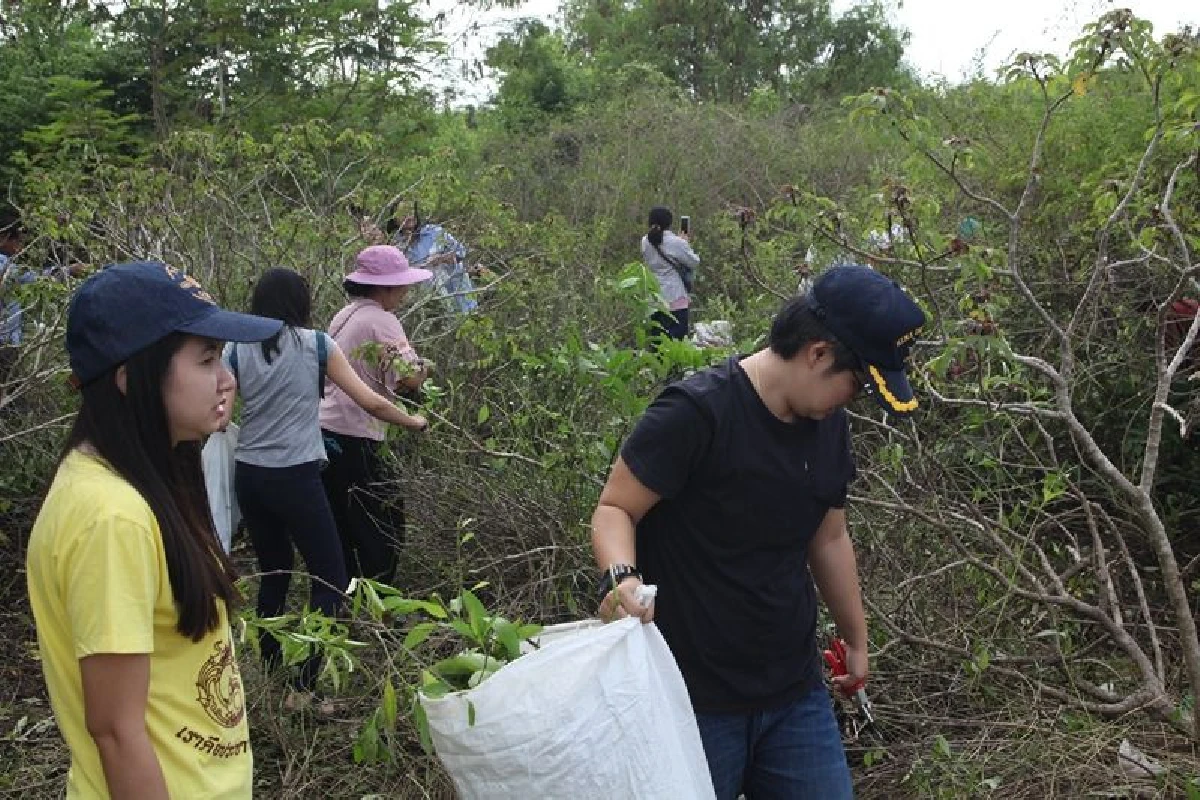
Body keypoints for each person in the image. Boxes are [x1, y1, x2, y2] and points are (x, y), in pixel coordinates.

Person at [590, 264, 926, 799]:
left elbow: (829, 537)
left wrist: (856, 640)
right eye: (857, 383)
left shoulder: (826, 426)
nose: (854, 400)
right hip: (692, 698)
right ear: (817, 353)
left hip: (793, 692)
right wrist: (621, 579)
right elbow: (615, 509)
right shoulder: (699, 412)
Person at [25, 261, 283, 799]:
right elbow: (116, 732)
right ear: (131, 378)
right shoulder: (111, 517)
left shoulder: (143, 480)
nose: (227, 378)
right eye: (207, 359)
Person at [226, 267, 427, 708]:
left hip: (251, 476)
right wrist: (414, 420)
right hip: (297, 476)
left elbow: (218, 411)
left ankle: (276, 675)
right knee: (331, 578)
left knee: (275, 573)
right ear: (302, 302)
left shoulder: (235, 349)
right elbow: (370, 400)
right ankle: (305, 685)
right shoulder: (317, 345)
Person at [320, 246, 433, 586]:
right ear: (383, 288)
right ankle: (379, 604)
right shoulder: (383, 320)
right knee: (382, 528)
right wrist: (424, 370)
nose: (404, 293)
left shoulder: (343, 315)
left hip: (325, 432)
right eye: (400, 286)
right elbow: (408, 377)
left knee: (343, 524)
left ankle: (345, 599)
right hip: (358, 435)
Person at [392, 211, 478, 314]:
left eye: (411, 210)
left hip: (458, 294)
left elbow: (461, 253)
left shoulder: (433, 231)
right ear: (394, 218)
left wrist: (441, 258)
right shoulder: (397, 245)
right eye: (403, 212)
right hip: (431, 304)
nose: (409, 216)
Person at [641, 206, 699, 341]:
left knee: (657, 338)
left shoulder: (645, 241)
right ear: (669, 222)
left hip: (654, 296)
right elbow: (694, 262)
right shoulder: (676, 242)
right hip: (675, 296)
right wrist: (685, 242)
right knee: (676, 339)